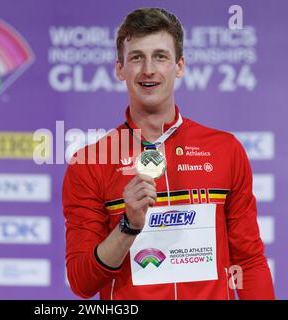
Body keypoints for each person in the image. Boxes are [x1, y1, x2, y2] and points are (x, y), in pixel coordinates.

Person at [62, 7, 275, 300]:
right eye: (136, 57)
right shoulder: (89, 163)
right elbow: (82, 282)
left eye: (160, 56)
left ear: (179, 66)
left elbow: (249, 262)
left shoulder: (225, 150)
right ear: (120, 69)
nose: (148, 69)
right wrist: (128, 226)